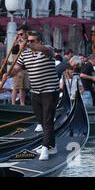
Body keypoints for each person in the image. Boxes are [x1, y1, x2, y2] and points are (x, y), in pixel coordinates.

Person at [1, 31, 60, 161]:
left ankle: (45, 147)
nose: (30, 43)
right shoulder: (25, 53)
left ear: (39, 42)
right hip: (36, 92)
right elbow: (17, 68)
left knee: (48, 120)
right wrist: (8, 74)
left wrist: (27, 44)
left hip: (50, 91)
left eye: (33, 41)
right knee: (41, 120)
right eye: (29, 41)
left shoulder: (47, 50)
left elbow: (42, 49)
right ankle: (52, 145)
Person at [11, 26, 30, 105]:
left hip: (26, 69)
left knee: (23, 88)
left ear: (26, 33)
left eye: (21, 34)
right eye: (18, 34)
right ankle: (14, 104)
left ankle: (22, 104)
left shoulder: (29, 43)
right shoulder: (16, 47)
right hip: (19, 69)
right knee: (17, 87)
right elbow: (15, 59)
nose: (20, 36)